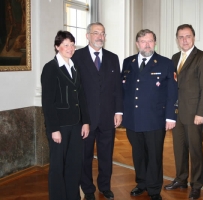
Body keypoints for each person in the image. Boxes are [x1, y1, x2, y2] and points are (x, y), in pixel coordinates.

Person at [121, 29, 178, 200]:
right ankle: (141, 183)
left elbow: (172, 92)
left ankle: (154, 189)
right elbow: (123, 90)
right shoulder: (127, 62)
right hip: (133, 119)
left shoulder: (165, 63)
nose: (147, 44)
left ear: (155, 43)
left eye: (150, 41)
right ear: (137, 43)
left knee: (154, 155)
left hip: (155, 119)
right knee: (138, 154)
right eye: (143, 41)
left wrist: (170, 117)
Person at [72, 22, 123, 200]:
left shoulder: (113, 58)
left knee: (106, 156)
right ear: (87, 36)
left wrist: (118, 111)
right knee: (84, 157)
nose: (100, 36)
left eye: (102, 33)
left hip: (108, 117)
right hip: (85, 119)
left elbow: (117, 87)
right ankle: (87, 189)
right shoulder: (77, 57)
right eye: (95, 33)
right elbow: (74, 89)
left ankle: (104, 187)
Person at [163, 24, 203, 199]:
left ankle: (196, 185)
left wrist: (201, 113)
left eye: (188, 36)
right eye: (181, 37)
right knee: (179, 149)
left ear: (194, 37)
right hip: (177, 114)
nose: (184, 40)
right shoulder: (175, 57)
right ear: (177, 39)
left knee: (195, 151)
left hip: (194, 114)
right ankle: (181, 178)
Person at [41, 30, 90, 200]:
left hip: (76, 125)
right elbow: (47, 102)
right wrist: (54, 129)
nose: (70, 48)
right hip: (59, 127)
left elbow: (81, 96)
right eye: (66, 45)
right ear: (57, 47)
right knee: (57, 167)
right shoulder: (50, 68)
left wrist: (85, 122)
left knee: (74, 165)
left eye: (72, 44)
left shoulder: (74, 67)